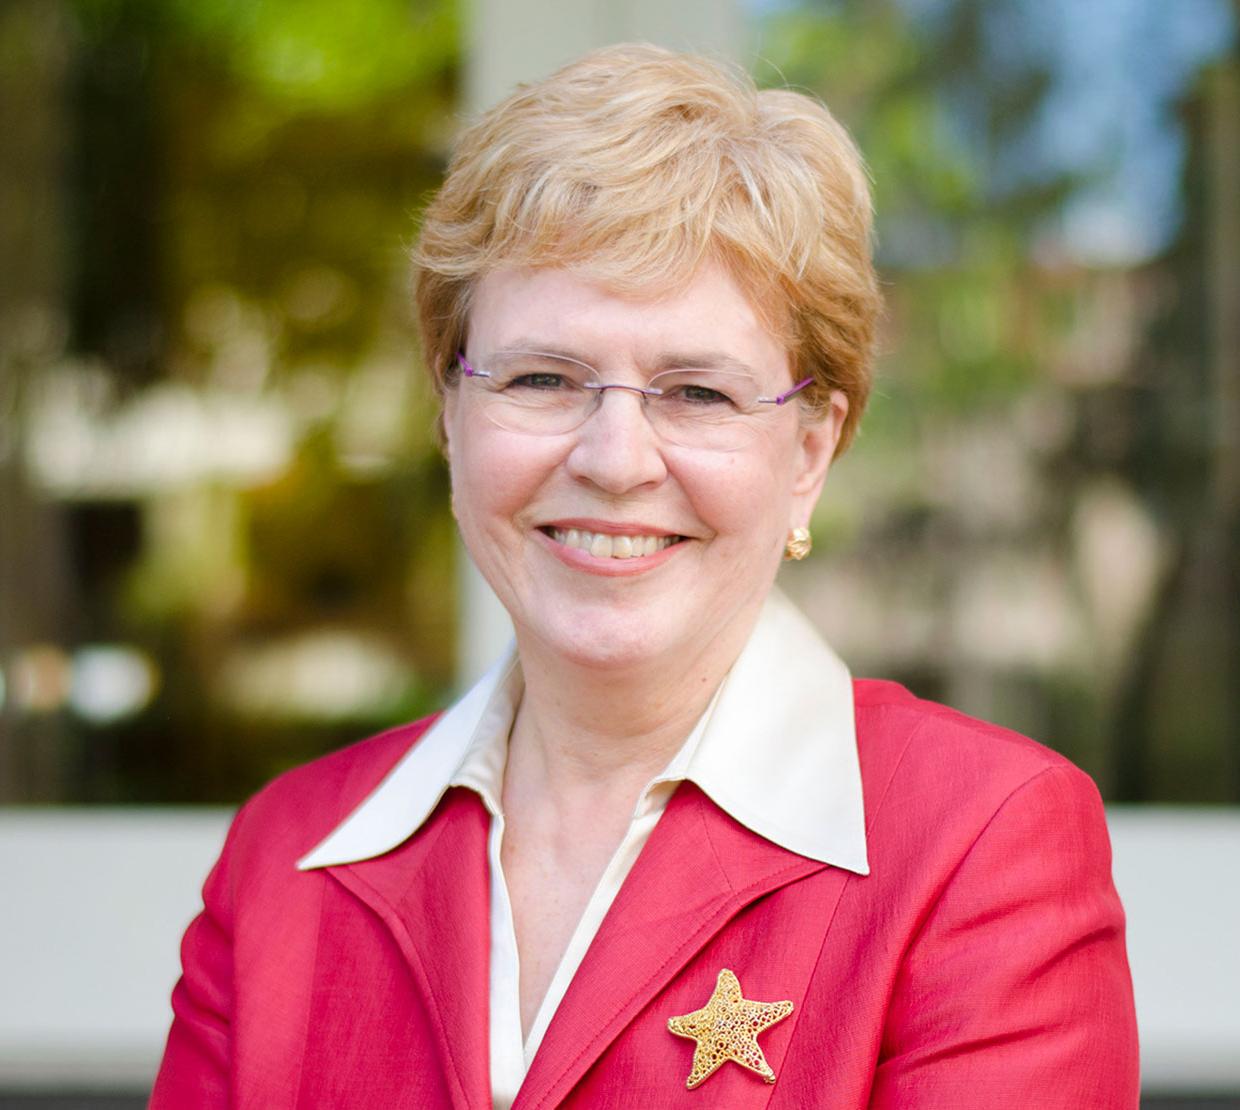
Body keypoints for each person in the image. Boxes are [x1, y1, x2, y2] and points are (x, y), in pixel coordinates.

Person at [151, 44, 1138, 1108]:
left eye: (697, 393)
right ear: (449, 419)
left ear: (808, 452)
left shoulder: (979, 848)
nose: (614, 460)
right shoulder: (283, 864)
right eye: (541, 377)